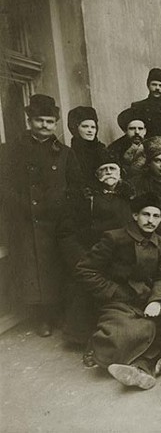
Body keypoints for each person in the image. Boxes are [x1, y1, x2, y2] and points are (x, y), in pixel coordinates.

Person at [76, 193, 161, 389]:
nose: (151, 221)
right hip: (119, 301)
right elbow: (85, 269)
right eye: (146, 215)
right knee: (127, 334)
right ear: (135, 215)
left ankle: (142, 369)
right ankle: (148, 364)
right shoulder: (114, 238)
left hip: (148, 300)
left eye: (156, 216)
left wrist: (157, 300)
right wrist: (113, 291)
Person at [0, 94, 82, 337]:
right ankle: (41, 318)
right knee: (33, 270)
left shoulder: (65, 153)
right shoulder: (12, 151)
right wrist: (23, 206)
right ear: (29, 121)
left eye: (49, 121)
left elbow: (76, 187)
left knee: (56, 267)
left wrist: (66, 213)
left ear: (55, 123)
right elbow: (4, 185)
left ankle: (58, 313)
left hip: (57, 222)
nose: (44, 125)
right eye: (39, 120)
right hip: (25, 222)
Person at [58, 149, 135, 348]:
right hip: (95, 253)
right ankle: (85, 339)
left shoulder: (131, 196)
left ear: (120, 173)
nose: (109, 173)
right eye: (104, 169)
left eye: (113, 168)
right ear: (97, 175)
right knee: (86, 286)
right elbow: (68, 232)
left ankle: (121, 335)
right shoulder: (86, 200)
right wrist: (82, 258)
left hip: (126, 254)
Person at [130, 68, 161, 152]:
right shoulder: (138, 106)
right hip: (145, 149)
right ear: (148, 85)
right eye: (154, 84)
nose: (157, 88)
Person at [67, 106, 107, 186]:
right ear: (75, 128)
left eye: (93, 127)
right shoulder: (70, 153)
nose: (90, 130)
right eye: (85, 126)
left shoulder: (103, 150)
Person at [108, 107, 148, 178]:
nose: (137, 132)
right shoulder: (115, 148)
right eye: (132, 129)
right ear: (125, 130)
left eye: (140, 128)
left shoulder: (152, 144)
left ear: (145, 130)